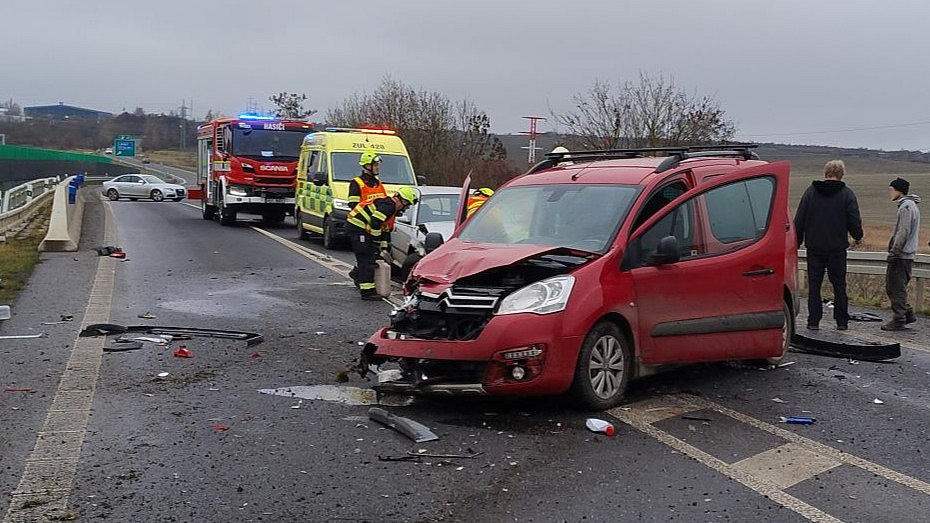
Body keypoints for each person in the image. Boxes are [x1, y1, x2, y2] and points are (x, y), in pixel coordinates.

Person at [793, 160, 863, 331]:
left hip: (814, 247)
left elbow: (800, 219)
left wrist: (797, 241)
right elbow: (854, 220)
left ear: (825, 173)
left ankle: (813, 321)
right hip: (837, 249)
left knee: (814, 286)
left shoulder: (811, 192)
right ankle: (841, 321)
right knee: (839, 286)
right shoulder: (847, 194)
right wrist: (857, 236)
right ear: (841, 174)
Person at [346, 186, 419, 300]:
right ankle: (367, 292)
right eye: (407, 205)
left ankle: (357, 274)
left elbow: (384, 229)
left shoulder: (390, 207)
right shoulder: (389, 206)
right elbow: (375, 222)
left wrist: (384, 248)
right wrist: (375, 242)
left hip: (361, 229)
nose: (405, 209)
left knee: (370, 256)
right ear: (403, 201)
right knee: (367, 259)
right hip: (358, 228)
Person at [882, 177, 921, 331]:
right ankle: (907, 314)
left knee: (895, 287)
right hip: (907, 255)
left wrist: (894, 252)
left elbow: (903, 232)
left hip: (901, 255)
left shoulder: (906, 207)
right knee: (897, 286)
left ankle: (899, 319)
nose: (890, 193)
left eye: (891, 190)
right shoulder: (911, 206)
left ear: (899, 190)